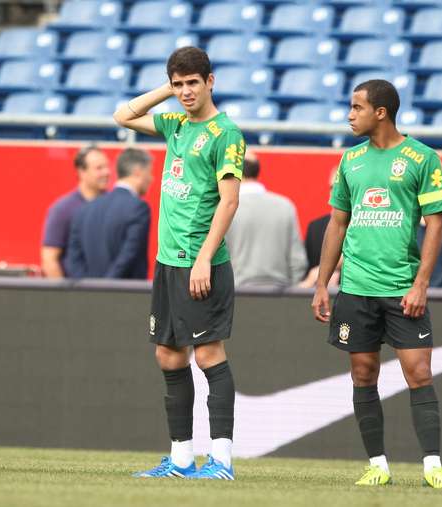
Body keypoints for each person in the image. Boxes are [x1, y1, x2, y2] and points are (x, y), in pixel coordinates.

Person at [311, 79, 442, 488]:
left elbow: (435, 224)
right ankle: (378, 464)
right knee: (362, 374)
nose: (349, 114)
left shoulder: (421, 157)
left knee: (420, 372)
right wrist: (323, 283)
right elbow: (337, 224)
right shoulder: (350, 161)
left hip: (401, 288)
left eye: (356, 107)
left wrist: (421, 284)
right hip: (356, 289)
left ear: (381, 112)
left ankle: (432, 466)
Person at [114, 46, 243, 480]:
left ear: (211, 81)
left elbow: (229, 201)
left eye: (193, 82)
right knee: (169, 357)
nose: (186, 91)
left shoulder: (226, 133)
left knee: (208, 355)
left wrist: (205, 257)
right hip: (168, 262)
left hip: (200, 263)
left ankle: (221, 461)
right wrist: (165, 91)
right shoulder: (175, 125)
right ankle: (182, 459)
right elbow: (123, 116)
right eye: (178, 83)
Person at [65, 148, 153, 279]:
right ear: (138, 172)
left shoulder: (84, 209)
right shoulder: (139, 208)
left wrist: (90, 289)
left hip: (88, 295)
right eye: (149, 173)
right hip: (126, 294)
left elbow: (73, 260)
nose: (151, 179)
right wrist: (107, 286)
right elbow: (129, 255)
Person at [225, 151, 307, 288]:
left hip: (237, 294)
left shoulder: (225, 209)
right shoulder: (285, 206)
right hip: (280, 294)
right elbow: (298, 261)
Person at [40, 145, 110, 278]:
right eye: (99, 168)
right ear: (81, 172)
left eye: (107, 167)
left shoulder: (112, 205)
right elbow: (49, 259)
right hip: (76, 291)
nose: (106, 172)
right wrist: (64, 297)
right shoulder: (63, 209)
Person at [299, 167, 341, 288]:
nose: (336, 193)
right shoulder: (315, 228)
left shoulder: (370, 228)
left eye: (343, 187)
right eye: (333, 187)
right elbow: (308, 271)